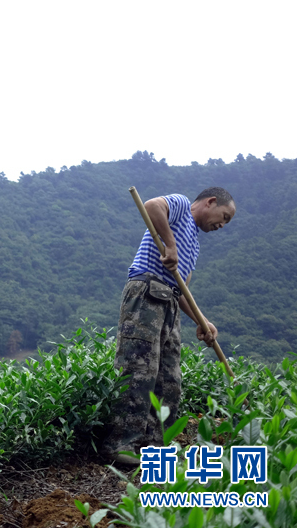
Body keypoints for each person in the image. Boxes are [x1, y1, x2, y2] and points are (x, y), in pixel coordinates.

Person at [101, 187, 236, 466]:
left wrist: (202, 321)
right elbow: (151, 206)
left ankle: (154, 446)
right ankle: (121, 445)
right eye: (223, 216)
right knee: (139, 369)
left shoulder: (195, 245)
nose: (222, 225)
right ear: (210, 202)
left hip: (170, 302)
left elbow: (182, 288)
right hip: (147, 290)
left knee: (169, 379)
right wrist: (170, 244)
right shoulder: (181, 205)